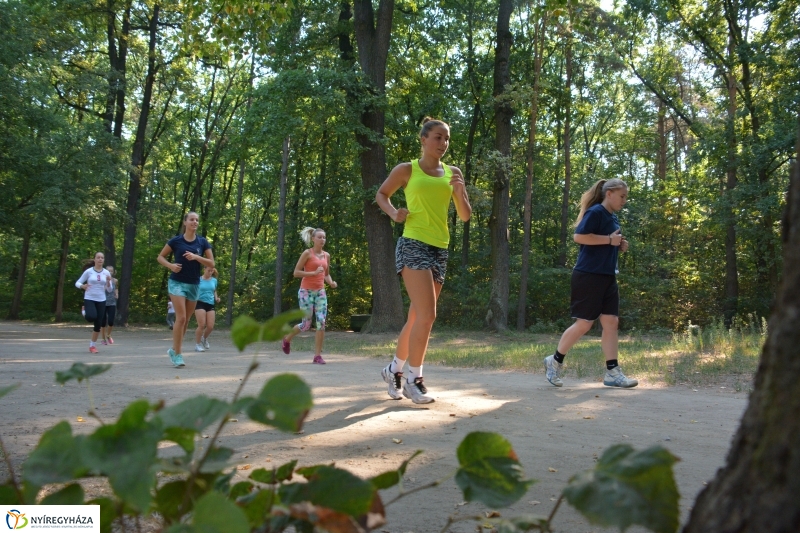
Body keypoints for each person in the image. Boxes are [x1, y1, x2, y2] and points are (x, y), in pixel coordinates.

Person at [375, 117, 472, 403]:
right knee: (428, 315)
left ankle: (393, 370)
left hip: (440, 248)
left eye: (447, 139)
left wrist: (459, 192)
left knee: (417, 316)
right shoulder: (407, 169)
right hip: (413, 243)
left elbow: (465, 215)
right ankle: (413, 380)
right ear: (424, 139)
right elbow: (382, 194)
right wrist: (393, 212)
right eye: (438, 137)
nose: (443, 143)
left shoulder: (453, 173)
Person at [543, 178, 638, 388]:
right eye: (622, 196)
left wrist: (618, 245)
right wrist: (609, 240)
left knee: (611, 322)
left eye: (626, 197)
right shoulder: (596, 212)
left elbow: (605, 242)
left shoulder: (612, 217)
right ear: (609, 194)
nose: (624, 201)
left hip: (607, 276)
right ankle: (554, 361)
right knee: (584, 323)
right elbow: (579, 236)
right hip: (588, 275)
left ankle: (612, 372)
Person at [157, 211, 214, 368]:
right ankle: (178, 355)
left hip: (194, 284)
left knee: (186, 320)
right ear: (185, 222)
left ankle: (174, 349)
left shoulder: (202, 242)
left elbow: (212, 263)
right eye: (191, 219)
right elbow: (160, 257)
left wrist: (196, 257)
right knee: (181, 318)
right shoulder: (176, 241)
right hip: (177, 283)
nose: (195, 222)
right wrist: (170, 266)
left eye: (197, 220)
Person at [281, 227, 338, 364]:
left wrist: (331, 283)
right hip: (306, 291)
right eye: (319, 237)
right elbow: (296, 272)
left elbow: (326, 274)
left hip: (320, 292)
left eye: (324, 237)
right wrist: (313, 273)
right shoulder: (307, 253)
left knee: (321, 322)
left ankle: (317, 356)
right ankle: (287, 339)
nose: (322, 240)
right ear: (313, 239)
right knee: (306, 325)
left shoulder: (327, 255)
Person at [75, 252, 113, 354]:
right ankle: (85, 312)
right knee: (91, 317)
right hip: (90, 298)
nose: (100, 259)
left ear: (103, 260)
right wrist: (82, 286)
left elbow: (109, 290)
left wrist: (108, 282)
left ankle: (92, 346)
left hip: (101, 299)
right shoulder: (89, 271)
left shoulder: (106, 272)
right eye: (98, 257)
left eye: (102, 258)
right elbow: (77, 282)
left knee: (98, 324)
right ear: (95, 259)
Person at [194, 266, 220, 352]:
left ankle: (204, 338)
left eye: (212, 271)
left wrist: (216, 298)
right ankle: (197, 345)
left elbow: (214, 290)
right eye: (209, 270)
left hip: (210, 303)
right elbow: (193, 290)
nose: (210, 272)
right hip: (199, 303)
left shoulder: (214, 280)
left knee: (210, 326)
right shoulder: (198, 279)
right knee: (201, 325)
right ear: (204, 269)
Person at [101, 265, 119, 345]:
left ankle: (108, 335)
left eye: (111, 271)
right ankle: (103, 339)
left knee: (111, 321)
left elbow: (116, 288)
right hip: (103, 302)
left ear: (113, 272)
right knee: (103, 322)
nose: (110, 272)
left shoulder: (115, 280)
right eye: (108, 271)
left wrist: (116, 294)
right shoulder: (102, 280)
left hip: (112, 302)